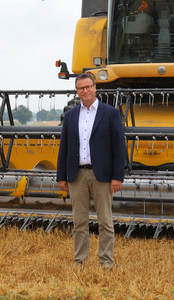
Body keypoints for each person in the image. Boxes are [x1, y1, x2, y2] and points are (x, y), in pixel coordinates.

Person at [56, 73, 126, 269]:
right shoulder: (71, 116)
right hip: (77, 175)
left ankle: (106, 263)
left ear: (95, 88)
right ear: (77, 91)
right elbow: (64, 148)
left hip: (102, 175)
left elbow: (119, 147)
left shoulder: (111, 113)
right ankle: (80, 261)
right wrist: (61, 176)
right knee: (79, 222)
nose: (85, 91)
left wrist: (117, 176)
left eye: (88, 87)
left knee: (105, 222)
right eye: (81, 88)